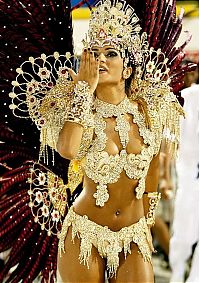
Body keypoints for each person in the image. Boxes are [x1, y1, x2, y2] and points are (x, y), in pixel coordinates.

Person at [0, 0, 196, 282]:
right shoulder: (78, 110)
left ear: (128, 69)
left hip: (133, 235)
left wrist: (149, 222)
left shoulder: (147, 111)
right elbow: (67, 149)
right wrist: (83, 90)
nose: (101, 59)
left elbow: (152, 169)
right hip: (85, 234)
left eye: (111, 53)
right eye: (94, 53)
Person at [169, 63, 199, 283]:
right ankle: (177, 275)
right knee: (184, 233)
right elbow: (173, 137)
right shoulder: (189, 97)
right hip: (189, 173)